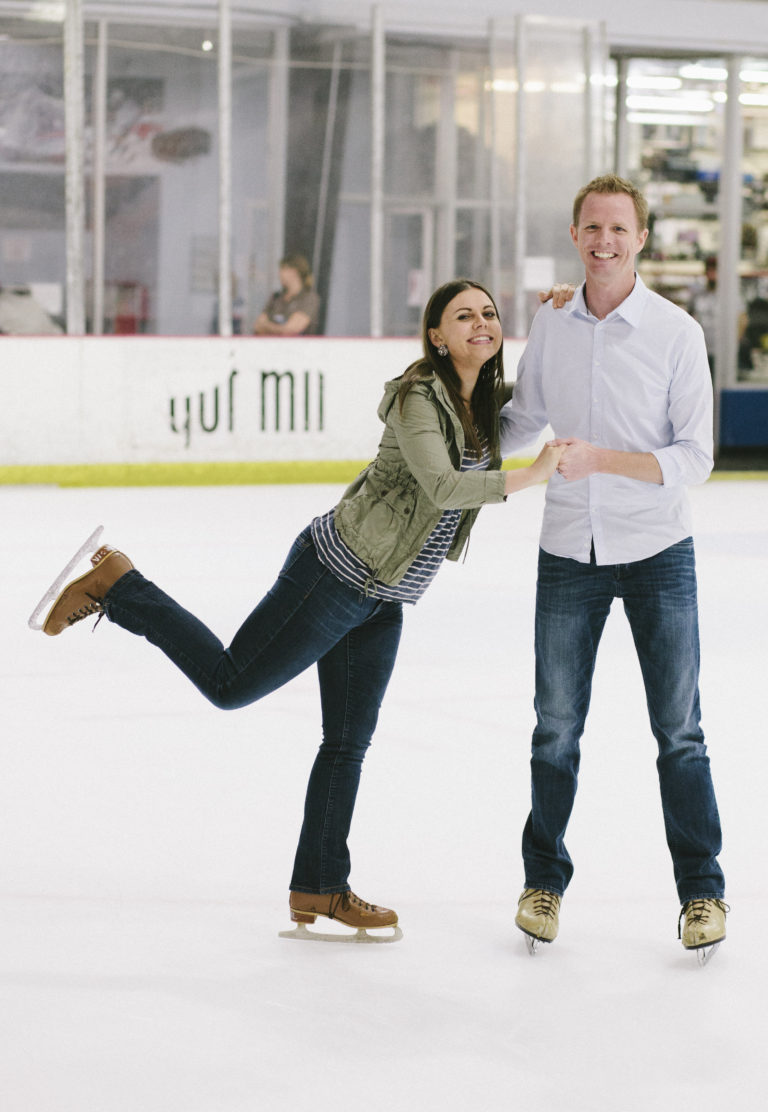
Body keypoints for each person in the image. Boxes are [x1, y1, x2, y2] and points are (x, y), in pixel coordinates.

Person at [38, 278, 563, 940]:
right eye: (463, 315)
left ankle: (320, 886)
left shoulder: (484, 403)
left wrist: (553, 324)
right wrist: (534, 475)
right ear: (437, 336)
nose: (480, 323)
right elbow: (443, 484)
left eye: (489, 314)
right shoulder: (417, 398)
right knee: (230, 685)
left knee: (347, 743)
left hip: (384, 598)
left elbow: (538, 406)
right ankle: (120, 587)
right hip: (335, 575)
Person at [500, 174, 728, 960]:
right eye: (592, 227)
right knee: (555, 728)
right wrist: (448, 410)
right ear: (575, 235)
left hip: (658, 553)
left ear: (642, 239)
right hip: (569, 552)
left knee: (680, 732)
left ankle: (702, 893)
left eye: (619, 229)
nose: (605, 241)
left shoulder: (675, 332)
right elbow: (522, 419)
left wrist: (603, 461)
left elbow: (696, 457)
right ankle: (542, 886)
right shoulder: (553, 322)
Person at [252, 253, 320, 337]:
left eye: (283, 269)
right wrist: (280, 329)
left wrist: (267, 326)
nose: (279, 274)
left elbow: (291, 330)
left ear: (294, 271)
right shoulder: (276, 297)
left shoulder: (309, 298)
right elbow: (258, 325)